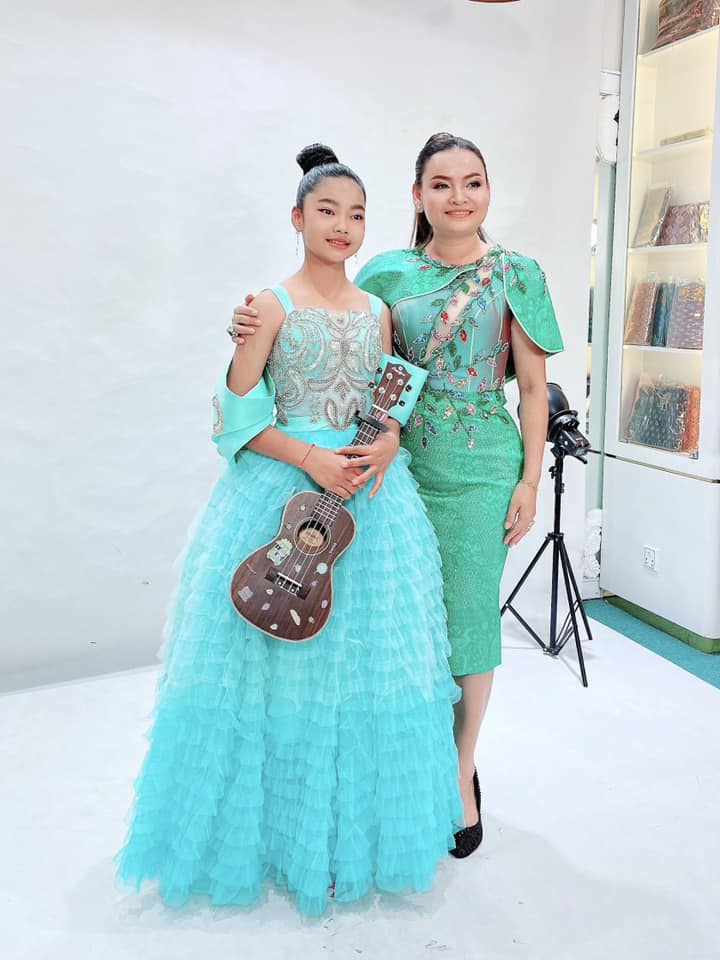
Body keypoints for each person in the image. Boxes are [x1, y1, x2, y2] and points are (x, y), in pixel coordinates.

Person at [115, 144, 463, 916]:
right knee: (274, 668)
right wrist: (311, 458)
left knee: (363, 669)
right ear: (297, 218)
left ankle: (346, 842)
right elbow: (234, 420)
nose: (342, 225)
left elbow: (387, 403)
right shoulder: (267, 307)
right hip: (283, 493)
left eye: (356, 214)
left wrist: (385, 446)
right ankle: (275, 840)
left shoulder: (376, 311)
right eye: (327, 211)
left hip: (370, 502)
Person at [229, 133, 564, 859]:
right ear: (417, 196)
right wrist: (249, 326)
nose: (458, 197)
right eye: (441, 184)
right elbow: (339, 324)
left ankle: (461, 768)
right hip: (391, 468)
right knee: (396, 624)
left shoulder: (518, 274)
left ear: (488, 191)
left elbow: (534, 389)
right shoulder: (387, 272)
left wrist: (529, 480)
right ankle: (401, 760)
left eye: (472, 182)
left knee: (468, 619)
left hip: (480, 467)